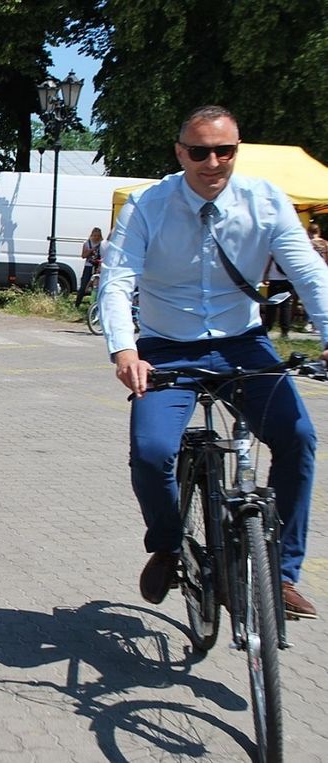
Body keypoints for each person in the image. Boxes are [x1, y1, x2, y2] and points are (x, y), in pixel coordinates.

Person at [99, 105, 328, 619]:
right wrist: (124, 350)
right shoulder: (147, 206)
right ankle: (168, 545)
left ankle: (283, 574)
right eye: (199, 151)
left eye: (224, 150)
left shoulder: (264, 201)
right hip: (165, 346)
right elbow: (115, 281)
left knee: (299, 438)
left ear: (236, 151)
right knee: (154, 451)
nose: (212, 161)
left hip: (241, 343)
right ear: (181, 153)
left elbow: (310, 273)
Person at [262, 256, 293, 339]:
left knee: (271, 305)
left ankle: (267, 327)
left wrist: (265, 275)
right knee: (286, 307)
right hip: (288, 279)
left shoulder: (273, 251)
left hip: (274, 280)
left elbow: (268, 262)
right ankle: (285, 331)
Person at [74, 227, 104, 307]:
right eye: (95, 236)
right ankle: (77, 304)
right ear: (92, 235)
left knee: (96, 287)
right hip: (89, 266)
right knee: (84, 285)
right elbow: (83, 256)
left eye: (98, 236)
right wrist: (91, 250)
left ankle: (94, 305)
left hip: (98, 267)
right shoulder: (87, 243)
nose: (96, 237)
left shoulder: (102, 244)